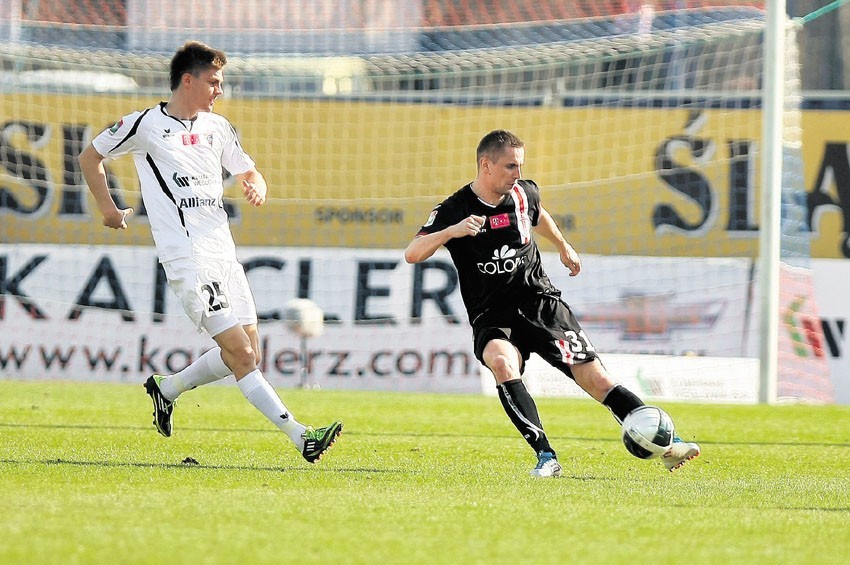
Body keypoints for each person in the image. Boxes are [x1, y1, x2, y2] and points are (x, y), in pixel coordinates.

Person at [79, 41, 342, 464]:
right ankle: (301, 436)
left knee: (249, 352)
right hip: (187, 257)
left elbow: (248, 168)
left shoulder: (218, 127)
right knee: (240, 353)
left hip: (224, 253)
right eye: (214, 81)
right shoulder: (145, 124)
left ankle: (167, 389)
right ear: (189, 79)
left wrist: (257, 183)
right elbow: (90, 156)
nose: (219, 90)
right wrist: (109, 209)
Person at [404, 129, 700, 477]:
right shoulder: (454, 209)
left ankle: (668, 444)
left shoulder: (523, 193)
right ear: (485, 165)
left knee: (597, 380)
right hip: (493, 313)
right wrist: (450, 232)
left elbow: (539, 214)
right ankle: (546, 457)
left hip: (540, 303)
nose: (517, 174)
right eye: (510, 166)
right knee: (502, 363)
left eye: (520, 166)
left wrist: (563, 246)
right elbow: (413, 253)